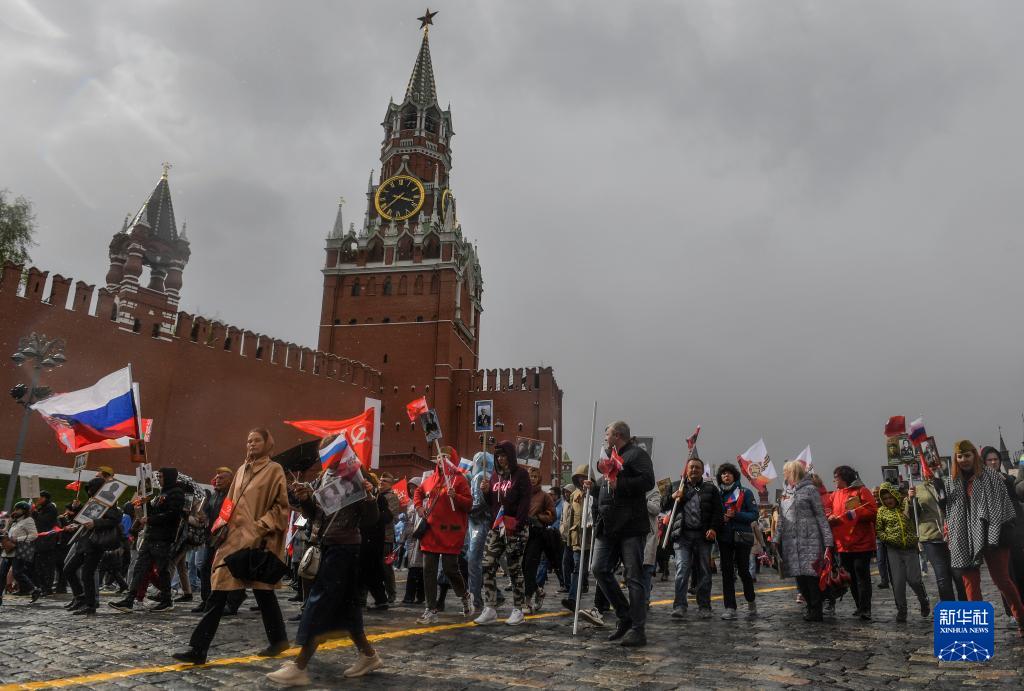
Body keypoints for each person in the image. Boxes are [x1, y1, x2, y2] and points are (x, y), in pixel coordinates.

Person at [266, 444, 383, 686]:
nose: (327, 456)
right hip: (325, 545)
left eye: (332, 451)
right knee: (347, 607)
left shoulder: (356, 476)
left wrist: (370, 498)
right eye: (325, 451)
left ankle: (300, 666)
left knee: (319, 604)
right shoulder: (323, 477)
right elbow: (314, 515)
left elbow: (371, 520)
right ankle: (368, 655)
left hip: (345, 549)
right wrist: (306, 500)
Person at [173, 428, 291, 664]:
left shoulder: (274, 470)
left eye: (256, 440)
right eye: (248, 441)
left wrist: (259, 528)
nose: (251, 444)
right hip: (232, 539)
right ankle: (199, 649)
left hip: (258, 541)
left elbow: (281, 508)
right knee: (219, 589)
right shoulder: (241, 470)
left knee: (263, 591)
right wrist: (219, 525)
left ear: (268, 443)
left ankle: (278, 640)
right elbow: (229, 502)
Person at [941, 440, 1024, 638]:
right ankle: (976, 632)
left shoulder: (990, 476)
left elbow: (998, 508)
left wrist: (991, 533)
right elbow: (950, 510)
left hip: (994, 534)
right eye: (960, 456)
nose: (963, 460)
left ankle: (1021, 619)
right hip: (965, 536)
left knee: (1002, 580)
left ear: (974, 456)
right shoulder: (951, 480)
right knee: (971, 584)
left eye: (967, 455)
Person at [587, 421, 655, 647]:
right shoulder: (610, 457)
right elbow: (607, 485)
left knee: (633, 576)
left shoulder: (637, 454)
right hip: (608, 525)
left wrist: (621, 484)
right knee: (598, 568)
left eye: (607, 434)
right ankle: (625, 615)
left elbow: (648, 481)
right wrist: (593, 487)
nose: (604, 438)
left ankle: (638, 629)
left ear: (617, 435)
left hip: (630, 525)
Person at [109, 467, 185, 612]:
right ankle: (129, 599)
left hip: (163, 538)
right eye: (158, 476)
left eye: (161, 477)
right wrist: (146, 504)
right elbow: (155, 511)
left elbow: (173, 515)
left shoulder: (176, 493)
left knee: (162, 570)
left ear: (169, 477)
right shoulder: (162, 493)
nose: (158, 479)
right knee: (140, 568)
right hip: (151, 536)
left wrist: (151, 519)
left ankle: (167, 599)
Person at [475, 440, 532, 626]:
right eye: (498, 456)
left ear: (511, 456)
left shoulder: (521, 474)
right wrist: (485, 492)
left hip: (515, 527)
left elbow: (525, 501)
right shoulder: (493, 476)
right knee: (487, 564)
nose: (500, 459)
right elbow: (492, 503)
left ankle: (518, 609)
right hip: (497, 526)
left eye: (503, 455)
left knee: (514, 568)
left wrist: (517, 524)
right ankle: (490, 607)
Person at [412, 456, 472, 625]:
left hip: (451, 532)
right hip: (431, 531)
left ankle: (465, 595)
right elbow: (418, 492)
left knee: (450, 569)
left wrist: (456, 496)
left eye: (444, 458)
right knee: (428, 570)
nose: (440, 461)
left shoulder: (459, 479)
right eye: (438, 458)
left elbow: (469, 504)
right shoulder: (431, 479)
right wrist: (419, 507)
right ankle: (431, 609)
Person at [664, 457, 722, 620]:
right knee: (682, 570)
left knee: (704, 572)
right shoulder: (676, 486)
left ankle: (704, 606)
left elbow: (718, 512)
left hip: (703, 536)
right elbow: (663, 505)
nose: (694, 470)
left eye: (697, 467)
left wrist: (713, 528)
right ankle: (679, 605)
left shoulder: (711, 489)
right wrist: (673, 496)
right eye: (691, 467)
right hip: (682, 536)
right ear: (686, 470)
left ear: (702, 470)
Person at [776, 461, 833, 621]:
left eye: (786, 471)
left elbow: (820, 516)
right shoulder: (785, 493)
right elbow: (781, 518)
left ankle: (816, 609)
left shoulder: (811, 490)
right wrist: (776, 539)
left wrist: (828, 541)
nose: (784, 474)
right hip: (791, 542)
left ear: (793, 472)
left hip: (810, 539)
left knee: (811, 576)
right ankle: (809, 606)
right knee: (799, 578)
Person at [909, 454, 965, 602]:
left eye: (934, 466)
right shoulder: (917, 489)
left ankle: (964, 607)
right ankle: (949, 608)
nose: (932, 470)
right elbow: (911, 515)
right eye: (928, 467)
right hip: (931, 537)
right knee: (942, 577)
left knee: (958, 575)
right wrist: (910, 500)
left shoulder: (947, 484)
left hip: (951, 535)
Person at [64, 478, 124, 615]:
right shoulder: (92, 501)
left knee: (87, 574)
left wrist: (96, 523)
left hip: (96, 543)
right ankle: (80, 597)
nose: (89, 491)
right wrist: (77, 509)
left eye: (92, 489)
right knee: (69, 569)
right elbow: (86, 517)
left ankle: (90, 605)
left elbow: (115, 518)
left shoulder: (109, 502)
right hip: (85, 541)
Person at [827, 465, 877, 620]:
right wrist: (830, 517)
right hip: (843, 544)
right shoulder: (835, 494)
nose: (834, 480)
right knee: (851, 578)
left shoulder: (862, 491)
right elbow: (828, 510)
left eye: (836, 477)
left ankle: (865, 608)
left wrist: (856, 512)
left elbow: (873, 512)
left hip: (862, 543)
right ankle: (859, 606)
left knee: (862, 576)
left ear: (844, 477)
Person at [876, 482, 929, 623]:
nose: (888, 500)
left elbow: (916, 512)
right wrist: (887, 538)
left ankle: (923, 600)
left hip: (910, 549)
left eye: (890, 497)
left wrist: (912, 499)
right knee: (898, 582)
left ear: (895, 495)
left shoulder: (905, 504)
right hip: (893, 550)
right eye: (885, 498)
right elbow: (879, 530)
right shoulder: (881, 511)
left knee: (914, 580)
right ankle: (902, 610)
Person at [981, 445, 1024, 620]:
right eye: (989, 460)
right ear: (984, 462)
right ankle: (1011, 611)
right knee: (1005, 574)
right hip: (996, 534)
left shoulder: (1008, 479)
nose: (993, 463)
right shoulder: (981, 482)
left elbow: (1018, 495)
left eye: (996, 459)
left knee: (1020, 568)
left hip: (1015, 529)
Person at [715, 462, 759, 619]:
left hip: (741, 537)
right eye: (723, 473)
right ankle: (730, 607)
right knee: (726, 572)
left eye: (729, 473)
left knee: (743, 571)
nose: (726, 475)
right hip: (725, 538)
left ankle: (750, 599)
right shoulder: (718, 495)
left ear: (734, 476)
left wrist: (737, 515)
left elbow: (754, 514)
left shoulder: (745, 493)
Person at [195, 467, 234, 613]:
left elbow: (229, 517)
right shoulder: (212, 496)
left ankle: (229, 602)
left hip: (225, 539)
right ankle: (206, 600)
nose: (217, 480)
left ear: (230, 481)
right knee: (205, 568)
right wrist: (202, 517)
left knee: (225, 571)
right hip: (211, 538)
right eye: (216, 477)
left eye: (221, 478)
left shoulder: (231, 496)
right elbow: (207, 514)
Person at [522, 466, 557, 613]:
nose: (532, 479)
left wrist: (537, 518)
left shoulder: (545, 496)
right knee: (523, 567)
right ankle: (538, 591)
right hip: (523, 534)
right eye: (530, 476)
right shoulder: (523, 494)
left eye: (535, 476)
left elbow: (552, 516)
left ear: (539, 479)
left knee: (530, 567)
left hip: (537, 534)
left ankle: (527, 602)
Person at [560, 464, 590, 613]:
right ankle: (573, 599)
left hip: (592, 538)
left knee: (599, 571)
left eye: (584, 477)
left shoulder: (595, 493)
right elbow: (571, 518)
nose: (581, 480)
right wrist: (568, 538)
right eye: (579, 477)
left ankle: (603, 601)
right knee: (577, 569)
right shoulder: (575, 494)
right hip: (577, 538)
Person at [0, 501, 41, 604]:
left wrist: (18, 539)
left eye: (18, 509)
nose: (15, 511)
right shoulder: (15, 521)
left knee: (17, 573)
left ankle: (34, 589)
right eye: (15, 509)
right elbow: (7, 532)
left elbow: (34, 535)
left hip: (19, 550)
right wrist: (7, 526)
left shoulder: (28, 520)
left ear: (24, 510)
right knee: (2, 573)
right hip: (9, 550)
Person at [401, 477, 425, 606]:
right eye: (410, 488)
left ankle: (414, 596)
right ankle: (415, 596)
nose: (411, 490)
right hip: (411, 540)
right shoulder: (410, 503)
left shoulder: (424, 502)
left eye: (414, 488)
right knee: (414, 567)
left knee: (418, 568)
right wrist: (402, 538)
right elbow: (407, 523)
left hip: (421, 538)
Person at [378, 473, 402, 604]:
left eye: (384, 481)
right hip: (375, 536)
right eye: (380, 480)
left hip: (386, 537)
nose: (381, 482)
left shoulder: (392, 497)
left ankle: (391, 594)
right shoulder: (377, 494)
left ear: (391, 484)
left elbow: (390, 516)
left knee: (386, 567)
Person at [31, 490, 58, 597]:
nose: (38, 500)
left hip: (47, 541)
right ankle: (43, 587)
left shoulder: (50, 508)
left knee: (47, 566)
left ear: (44, 498)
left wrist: (35, 513)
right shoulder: (43, 508)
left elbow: (44, 521)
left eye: (39, 497)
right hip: (40, 541)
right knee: (39, 567)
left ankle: (47, 588)